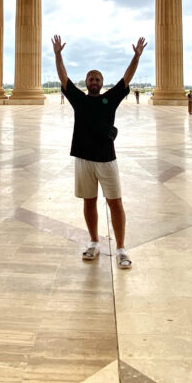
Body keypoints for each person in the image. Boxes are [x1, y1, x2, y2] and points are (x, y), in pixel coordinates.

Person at [52, 34, 146, 270]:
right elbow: (63, 78)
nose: (93, 81)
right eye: (90, 78)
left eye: (97, 78)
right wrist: (57, 55)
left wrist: (136, 56)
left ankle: (121, 248)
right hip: (83, 159)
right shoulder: (78, 100)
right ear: (86, 83)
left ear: (102, 83)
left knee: (115, 203)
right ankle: (94, 241)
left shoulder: (110, 99)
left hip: (106, 159)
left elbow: (126, 78)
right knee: (89, 202)